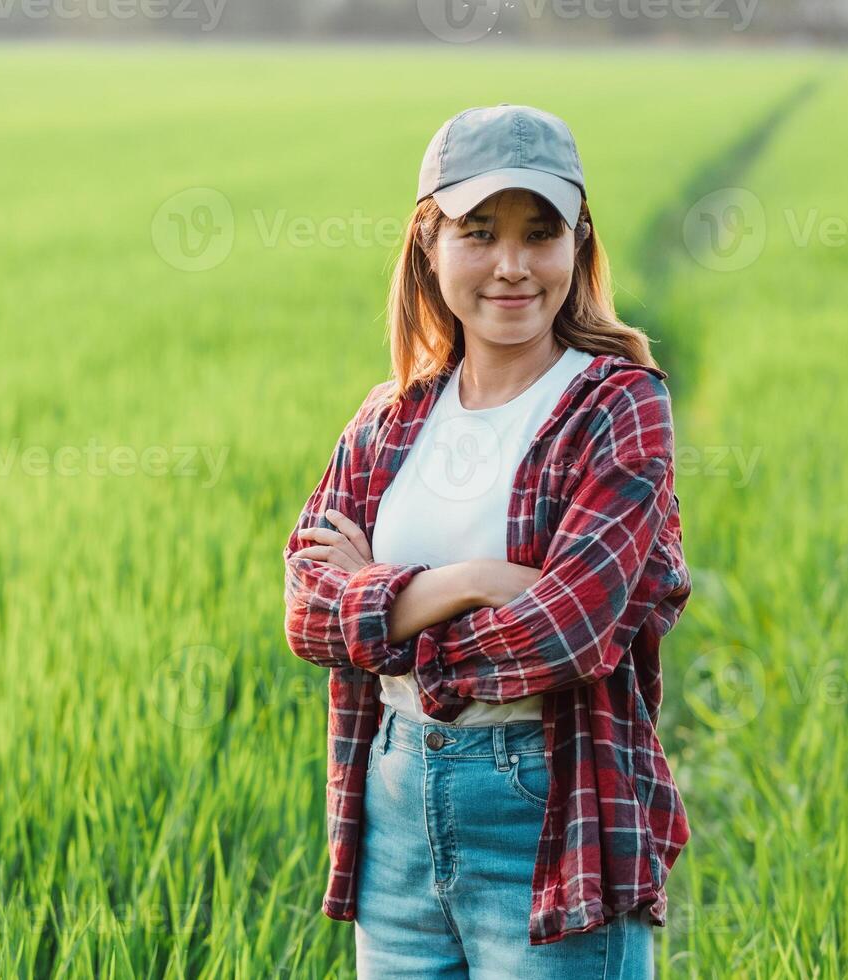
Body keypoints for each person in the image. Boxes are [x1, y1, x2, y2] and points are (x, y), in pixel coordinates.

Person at [282, 104, 693, 978]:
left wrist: (385, 616)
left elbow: (571, 629)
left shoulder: (617, 407)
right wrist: (472, 580)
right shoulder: (389, 416)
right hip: (391, 810)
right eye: (479, 232)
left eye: (540, 234)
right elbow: (306, 614)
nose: (512, 265)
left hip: (549, 804)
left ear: (577, 248)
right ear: (429, 246)